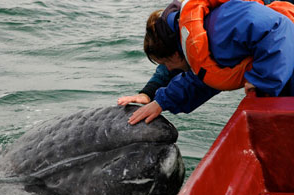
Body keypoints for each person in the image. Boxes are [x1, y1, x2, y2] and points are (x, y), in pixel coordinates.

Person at [118, 0, 294, 125]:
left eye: (165, 62)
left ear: (175, 53)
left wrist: (262, 82)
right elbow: (203, 79)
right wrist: (159, 102)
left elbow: (280, 29)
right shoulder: (201, 40)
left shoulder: (219, 27)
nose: (168, 69)